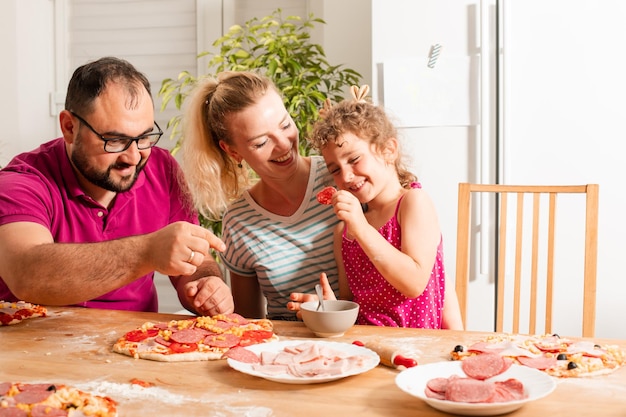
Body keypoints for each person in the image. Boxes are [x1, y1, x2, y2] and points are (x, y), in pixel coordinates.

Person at [0, 57, 233, 316]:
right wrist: (148, 251)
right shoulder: (21, 182)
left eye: (144, 137)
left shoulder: (162, 167)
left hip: (135, 346)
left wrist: (207, 283)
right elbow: (27, 274)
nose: (133, 157)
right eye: (115, 140)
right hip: (36, 348)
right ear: (69, 127)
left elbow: (193, 258)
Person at [290, 86, 463, 329]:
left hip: (414, 349)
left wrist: (361, 227)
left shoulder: (413, 203)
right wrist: (330, 307)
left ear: (388, 150)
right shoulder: (343, 233)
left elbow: (414, 284)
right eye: (335, 170)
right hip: (365, 347)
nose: (347, 176)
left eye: (354, 159)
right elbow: (351, 304)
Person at [180, 71, 339, 320]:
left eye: (285, 125)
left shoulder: (341, 176)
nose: (284, 145)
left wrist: (337, 311)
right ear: (233, 151)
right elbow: (248, 321)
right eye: (261, 142)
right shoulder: (240, 221)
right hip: (283, 352)